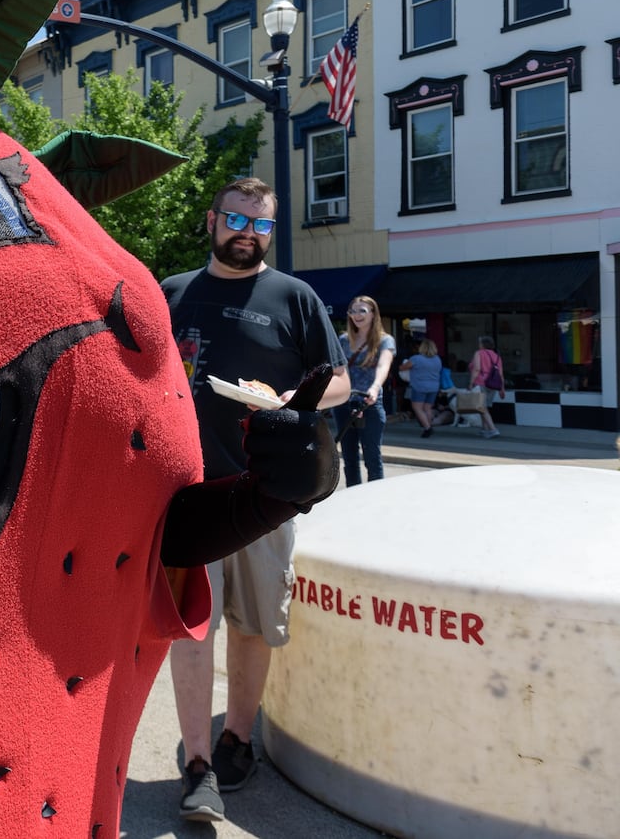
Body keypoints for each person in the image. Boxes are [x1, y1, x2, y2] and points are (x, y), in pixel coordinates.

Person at [162, 177, 348, 824]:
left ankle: (238, 739)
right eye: (238, 220)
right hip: (184, 492)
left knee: (254, 622)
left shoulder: (293, 297)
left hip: (266, 493)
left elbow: (340, 382)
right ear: (213, 219)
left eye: (262, 225)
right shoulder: (174, 294)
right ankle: (196, 763)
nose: (248, 232)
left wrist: (286, 401)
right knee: (191, 631)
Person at [330, 296, 395, 486]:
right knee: (349, 457)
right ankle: (353, 498)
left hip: (370, 403)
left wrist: (374, 388)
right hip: (343, 403)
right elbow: (335, 369)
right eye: (353, 311)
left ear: (373, 314)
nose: (356, 315)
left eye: (362, 311)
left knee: (372, 457)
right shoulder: (343, 340)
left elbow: (384, 365)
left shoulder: (385, 340)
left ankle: (374, 500)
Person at [400, 339, 444, 437]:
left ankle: (427, 428)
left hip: (419, 386)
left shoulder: (416, 359)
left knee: (417, 407)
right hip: (434, 387)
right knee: (428, 408)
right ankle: (428, 425)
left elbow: (403, 368)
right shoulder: (437, 359)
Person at [467, 335, 504, 438]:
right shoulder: (497, 356)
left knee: (481, 407)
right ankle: (485, 429)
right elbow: (501, 374)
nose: (478, 344)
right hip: (493, 384)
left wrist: (471, 383)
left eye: (479, 342)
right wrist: (502, 388)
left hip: (481, 382)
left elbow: (477, 369)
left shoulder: (479, 353)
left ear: (483, 344)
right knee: (485, 407)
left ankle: (493, 429)